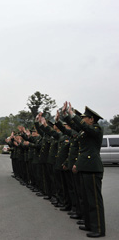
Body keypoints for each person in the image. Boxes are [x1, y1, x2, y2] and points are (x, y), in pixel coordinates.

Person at [63, 102, 105, 238]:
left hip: (92, 169)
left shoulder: (96, 129)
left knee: (94, 201)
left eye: (85, 117)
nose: (82, 119)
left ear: (91, 119)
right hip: (85, 168)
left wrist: (72, 114)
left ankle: (98, 228)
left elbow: (82, 126)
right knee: (86, 199)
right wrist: (66, 115)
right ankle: (89, 224)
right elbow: (75, 127)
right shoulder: (85, 131)